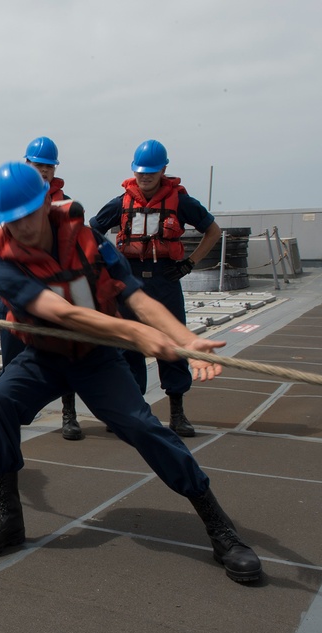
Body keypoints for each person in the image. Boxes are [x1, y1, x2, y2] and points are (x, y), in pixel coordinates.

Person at [0, 161, 261, 584]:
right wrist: (135, 335)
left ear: (47, 204)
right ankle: (10, 517)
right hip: (46, 357)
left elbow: (137, 298)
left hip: (96, 358)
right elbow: (62, 313)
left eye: (29, 214)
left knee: (143, 427)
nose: (23, 228)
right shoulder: (3, 267)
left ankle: (219, 526)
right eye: (10, 221)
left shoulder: (88, 241)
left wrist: (185, 338)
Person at [90, 139, 222, 437]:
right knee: (127, 347)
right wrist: (105, 264)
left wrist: (190, 263)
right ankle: (132, 411)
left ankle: (177, 412)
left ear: (163, 169)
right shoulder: (120, 203)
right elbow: (91, 230)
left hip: (165, 279)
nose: (145, 176)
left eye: (151, 171)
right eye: (140, 172)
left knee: (173, 346)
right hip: (129, 279)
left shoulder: (182, 202)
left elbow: (213, 231)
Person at [0, 137, 83, 441]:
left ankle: (69, 413)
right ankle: (11, 411)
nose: (43, 171)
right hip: (16, 290)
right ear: (27, 165)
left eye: (48, 167)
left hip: (53, 290)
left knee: (66, 352)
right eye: (38, 165)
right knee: (12, 356)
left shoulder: (66, 204)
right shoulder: (9, 197)